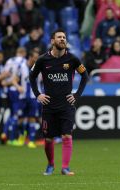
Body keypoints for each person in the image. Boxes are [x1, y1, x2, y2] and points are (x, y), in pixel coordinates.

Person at [29, 29, 89, 176]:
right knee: (48, 139)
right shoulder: (43, 60)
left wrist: (77, 95)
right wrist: (38, 95)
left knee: (67, 135)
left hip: (66, 106)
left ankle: (65, 167)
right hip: (49, 106)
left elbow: (85, 76)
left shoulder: (73, 59)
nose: (62, 39)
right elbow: (32, 77)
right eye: (59, 37)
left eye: (64, 37)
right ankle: (50, 165)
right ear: (52, 41)